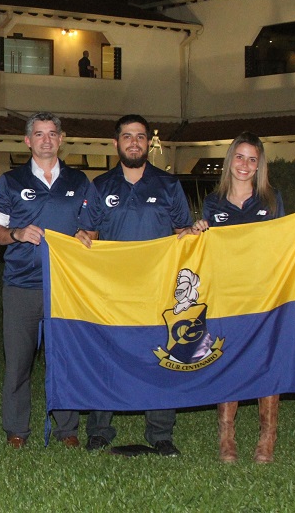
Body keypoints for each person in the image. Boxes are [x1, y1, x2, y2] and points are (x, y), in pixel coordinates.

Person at [189, 131, 295, 464]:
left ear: (260, 165)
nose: (245, 165)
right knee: (228, 358)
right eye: (240, 157)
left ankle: (267, 438)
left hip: (266, 295)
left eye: (253, 159)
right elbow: (204, 250)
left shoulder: (271, 200)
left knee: (268, 359)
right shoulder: (214, 202)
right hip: (228, 296)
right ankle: (227, 437)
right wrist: (197, 231)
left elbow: (285, 241)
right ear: (230, 161)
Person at [78, 114, 193, 457]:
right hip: (112, 290)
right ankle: (99, 430)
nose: (134, 142)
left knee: (161, 357)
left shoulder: (168, 184)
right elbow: (89, 235)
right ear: (116, 143)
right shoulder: (100, 185)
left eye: (140, 137)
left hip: (157, 289)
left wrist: (194, 234)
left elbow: (183, 236)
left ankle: (161, 433)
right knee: (106, 356)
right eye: (127, 136)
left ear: (148, 144)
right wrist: (80, 239)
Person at [0, 111, 98, 449]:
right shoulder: (10, 181)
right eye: (39, 134)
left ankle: (68, 428)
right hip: (21, 284)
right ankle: (16, 429)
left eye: (52, 134)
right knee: (18, 363)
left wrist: (86, 235)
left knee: (64, 360)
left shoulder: (79, 181)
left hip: (67, 286)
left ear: (61, 140)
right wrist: (17, 233)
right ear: (27, 140)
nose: (46, 140)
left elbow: (91, 227)